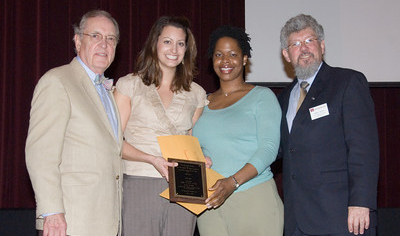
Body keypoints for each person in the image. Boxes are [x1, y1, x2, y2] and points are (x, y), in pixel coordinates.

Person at [278, 14, 380, 236]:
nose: (303, 48)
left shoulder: (347, 83)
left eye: (309, 40)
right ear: (286, 55)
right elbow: (277, 149)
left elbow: (364, 149)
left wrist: (361, 203)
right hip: (297, 220)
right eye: (295, 44)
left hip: (341, 217)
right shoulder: (284, 98)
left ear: (322, 46)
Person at [25, 10, 123, 236]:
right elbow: (40, 154)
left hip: (104, 222)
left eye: (111, 39)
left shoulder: (107, 92)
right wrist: (51, 211)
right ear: (78, 41)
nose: (104, 44)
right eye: (95, 36)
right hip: (68, 224)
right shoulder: (57, 81)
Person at [113, 16, 206, 236]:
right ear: (154, 44)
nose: (174, 49)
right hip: (139, 181)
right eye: (167, 41)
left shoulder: (197, 94)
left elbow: (190, 142)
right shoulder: (129, 85)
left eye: (180, 43)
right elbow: (113, 141)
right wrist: (152, 159)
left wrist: (201, 160)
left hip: (184, 186)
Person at [192, 25, 284, 236]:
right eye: (219, 55)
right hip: (209, 204)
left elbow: (269, 149)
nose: (225, 61)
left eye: (233, 54)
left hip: (253, 197)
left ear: (244, 59)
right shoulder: (202, 102)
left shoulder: (262, 96)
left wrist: (232, 182)